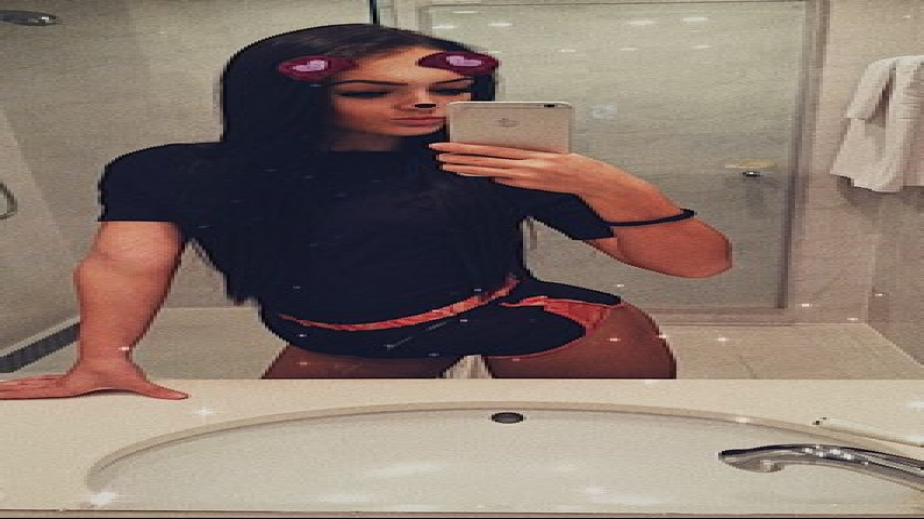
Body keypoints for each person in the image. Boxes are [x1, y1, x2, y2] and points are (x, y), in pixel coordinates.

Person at [0, 23, 731, 401]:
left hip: (542, 324)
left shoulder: (485, 161)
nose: (422, 104)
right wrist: (102, 357)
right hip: (342, 339)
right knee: (313, 466)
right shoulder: (173, 172)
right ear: (292, 97)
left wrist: (604, 182)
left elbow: (702, 265)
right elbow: (122, 264)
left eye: (446, 89)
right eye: (371, 91)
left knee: (595, 447)